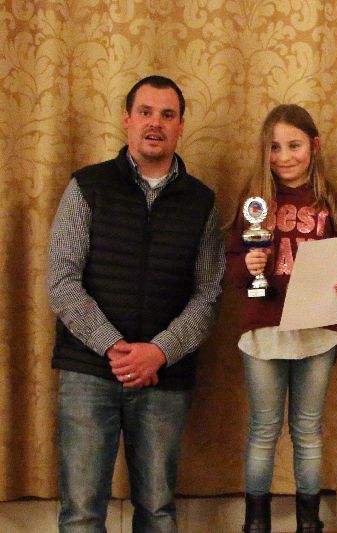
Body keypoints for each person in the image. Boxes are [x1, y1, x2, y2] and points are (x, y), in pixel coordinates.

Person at [47, 75, 226, 532]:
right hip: (88, 372)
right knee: (81, 513)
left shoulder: (202, 202)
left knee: (159, 511)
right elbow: (62, 281)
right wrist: (115, 347)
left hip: (165, 378)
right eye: (145, 112)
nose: (155, 123)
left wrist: (159, 352)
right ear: (127, 119)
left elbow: (208, 294)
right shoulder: (87, 186)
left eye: (167, 115)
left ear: (181, 125)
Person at [225, 104, 337, 533]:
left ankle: (309, 523)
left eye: (294, 146)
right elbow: (232, 266)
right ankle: (255, 524)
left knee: (308, 431)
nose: (284, 157)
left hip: (316, 333)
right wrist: (249, 265)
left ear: (314, 146)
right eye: (275, 147)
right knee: (263, 430)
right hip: (264, 331)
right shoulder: (254, 202)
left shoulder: (332, 205)